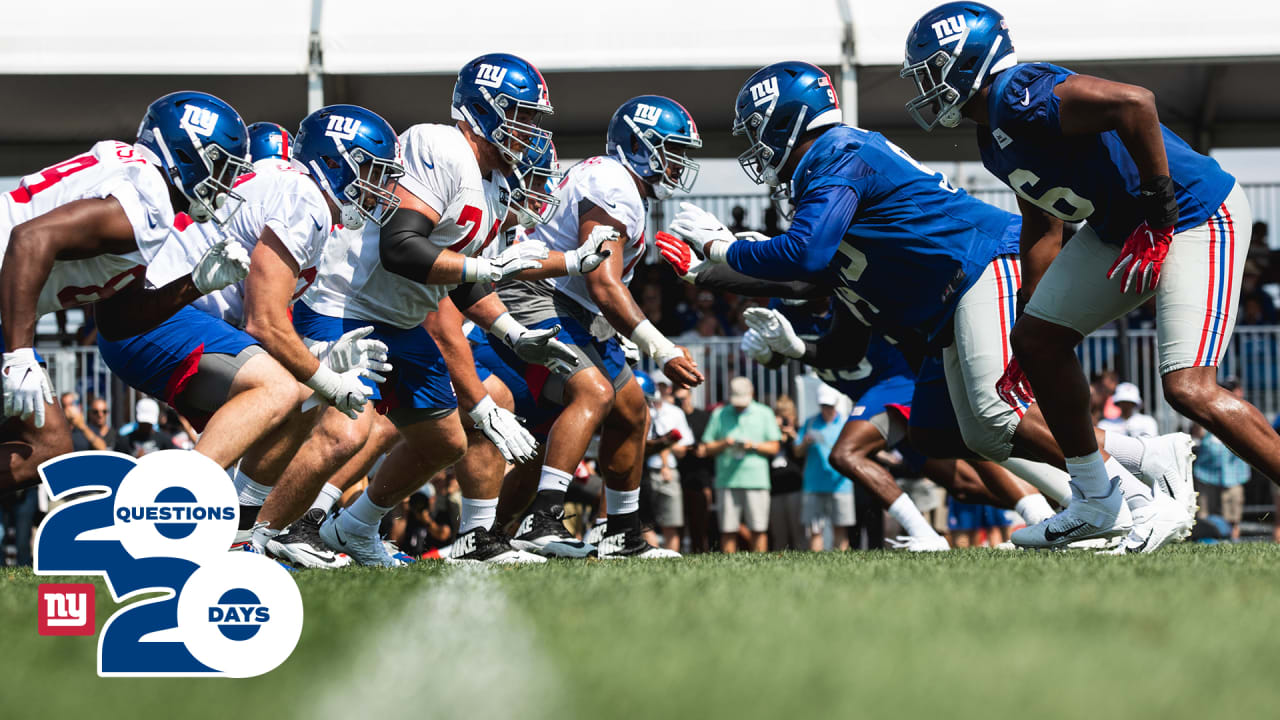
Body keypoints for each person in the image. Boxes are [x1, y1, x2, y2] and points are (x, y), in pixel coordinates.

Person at [670, 59, 1193, 554]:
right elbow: (815, 276)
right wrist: (709, 273)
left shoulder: (836, 153)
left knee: (997, 412)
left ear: (787, 117)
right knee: (954, 432)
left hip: (980, 263)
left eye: (759, 127)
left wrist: (724, 247)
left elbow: (806, 256)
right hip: (952, 293)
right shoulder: (830, 161)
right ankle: (1139, 459)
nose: (757, 143)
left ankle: (1128, 500)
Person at [904, 3, 1263, 551]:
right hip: (1119, 228)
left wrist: (1160, 211)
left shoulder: (1021, 91)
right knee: (1035, 341)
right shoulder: (992, 133)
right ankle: (1097, 499)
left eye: (932, 71)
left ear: (968, 59)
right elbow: (1042, 227)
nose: (927, 88)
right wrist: (1027, 317)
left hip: (1193, 215)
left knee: (1189, 388)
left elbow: (1134, 103)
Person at [302, 54, 580, 566]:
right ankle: (279, 529)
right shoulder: (442, 146)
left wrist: (514, 332)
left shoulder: (495, 183)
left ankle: (354, 528)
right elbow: (402, 247)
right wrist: (486, 272)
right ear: (482, 110)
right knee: (345, 430)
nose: (531, 129)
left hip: (400, 318)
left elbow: (458, 278)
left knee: (444, 441)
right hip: (348, 306)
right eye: (522, 115)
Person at [0, 91, 253, 490]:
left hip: (5, 304)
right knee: (46, 446)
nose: (226, 184)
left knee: (48, 447)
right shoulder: (143, 205)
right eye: (221, 167)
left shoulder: (141, 190)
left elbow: (117, 320)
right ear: (186, 156)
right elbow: (28, 239)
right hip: (6, 302)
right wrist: (19, 354)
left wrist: (195, 285)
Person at [500, 94, 704, 560]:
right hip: (538, 292)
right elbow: (603, 283)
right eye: (671, 149)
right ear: (641, 146)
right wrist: (660, 347)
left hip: (570, 303)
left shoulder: (618, 183)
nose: (679, 162)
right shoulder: (614, 183)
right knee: (594, 392)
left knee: (633, 409)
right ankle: (542, 521)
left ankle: (621, 533)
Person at [702, 377, 780, 553]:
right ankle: (728, 567)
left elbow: (775, 447)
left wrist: (753, 445)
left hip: (757, 480)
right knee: (727, 529)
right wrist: (725, 443)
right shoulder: (719, 414)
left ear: (751, 394)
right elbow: (706, 447)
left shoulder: (765, 413)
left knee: (759, 528)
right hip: (727, 480)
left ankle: (761, 565)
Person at [797, 384, 854, 551]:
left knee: (840, 530)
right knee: (815, 531)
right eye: (823, 406)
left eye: (829, 405)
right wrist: (805, 443)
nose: (826, 409)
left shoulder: (846, 423)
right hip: (814, 484)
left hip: (840, 485)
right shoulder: (810, 422)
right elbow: (797, 451)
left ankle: (844, 570)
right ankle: (816, 570)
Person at [1195, 380, 1252, 540]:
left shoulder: (1245, 414)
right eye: (1227, 390)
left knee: (1233, 520)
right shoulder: (1207, 413)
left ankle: (1232, 544)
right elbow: (1198, 432)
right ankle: (1207, 545)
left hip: (1234, 476)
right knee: (1205, 516)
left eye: (1234, 390)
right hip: (1207, 474)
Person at [768, 395, 806, 551]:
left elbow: (801, 454)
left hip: (795, 488)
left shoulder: (798, 432)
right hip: (775, 490)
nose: (784, 419)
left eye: (787, 415)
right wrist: (777, 435)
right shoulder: (771, 434)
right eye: (780, 415)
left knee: (798, 533)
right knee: (779, 535)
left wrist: (793, 436)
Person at [114, 398, 178, 457]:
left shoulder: (165, 440)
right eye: (143, 423)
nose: (145, 425)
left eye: (148, 423)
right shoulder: (124, 441)